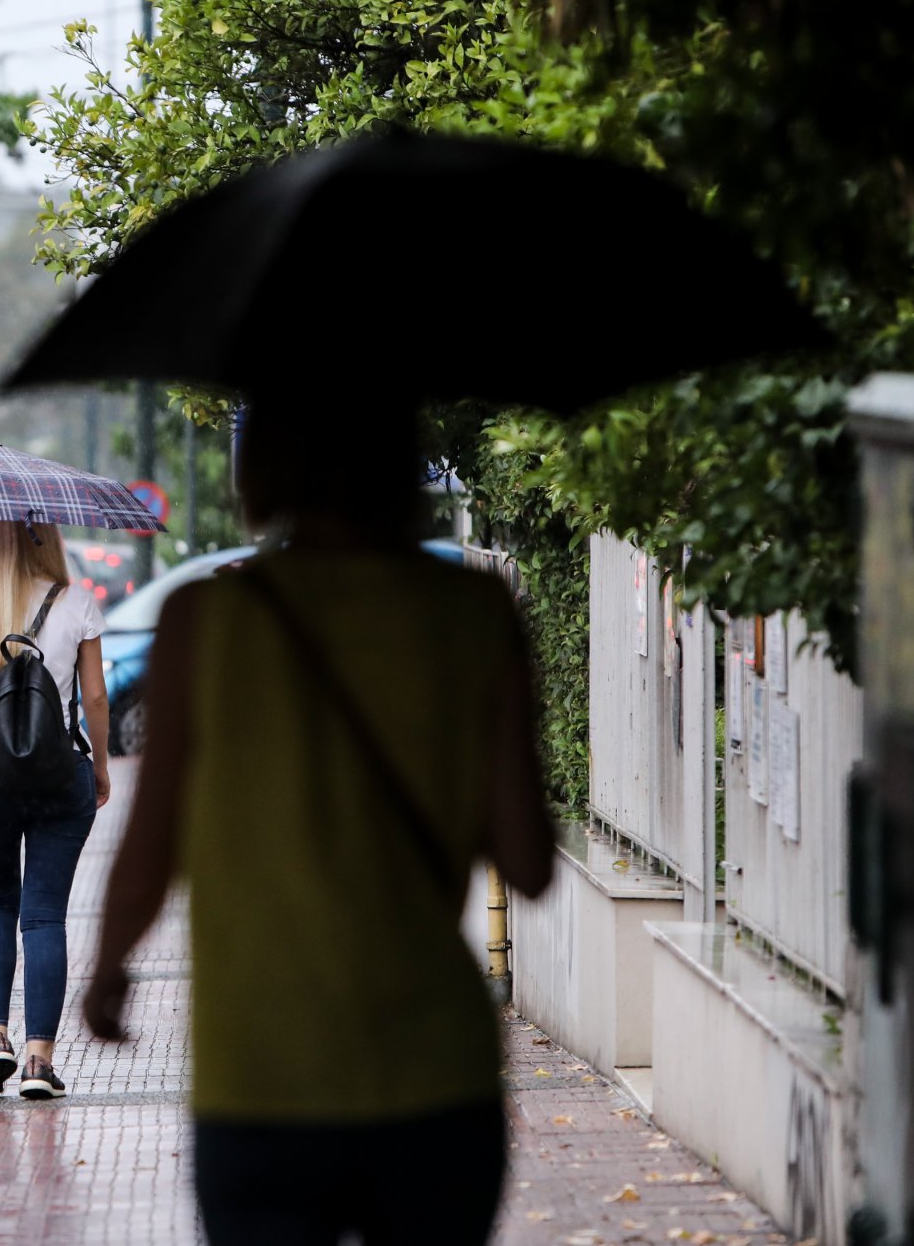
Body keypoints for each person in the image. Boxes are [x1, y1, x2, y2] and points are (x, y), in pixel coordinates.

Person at [81, 389, 558, 1244]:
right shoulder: (475, 615)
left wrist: (109, 967)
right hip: (436, 1074)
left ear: (262, 461)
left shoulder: (204, 620)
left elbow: (151, 842)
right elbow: (527, 859)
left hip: (259, 1073)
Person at [0, 518, 111, 1100]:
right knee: (43, 916)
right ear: (49, 539)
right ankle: (40, 1061)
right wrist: (102, 766)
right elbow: (93, 697)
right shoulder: (77, 600)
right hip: (61, 777)